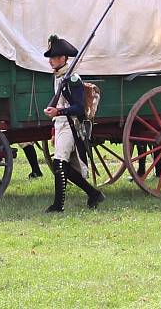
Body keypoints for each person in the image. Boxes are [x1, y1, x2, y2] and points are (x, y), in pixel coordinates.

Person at [42, 34, 105, 212]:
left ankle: (58, 205)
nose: (51, 61)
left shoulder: (72, 79)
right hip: (61, 124)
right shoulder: (59, 77)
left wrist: (58, 111)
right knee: (64, 166)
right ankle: (93, 194)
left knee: (59, 163)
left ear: (63, 58)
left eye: (54, 57)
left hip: (71, 125)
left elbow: (79, 108)